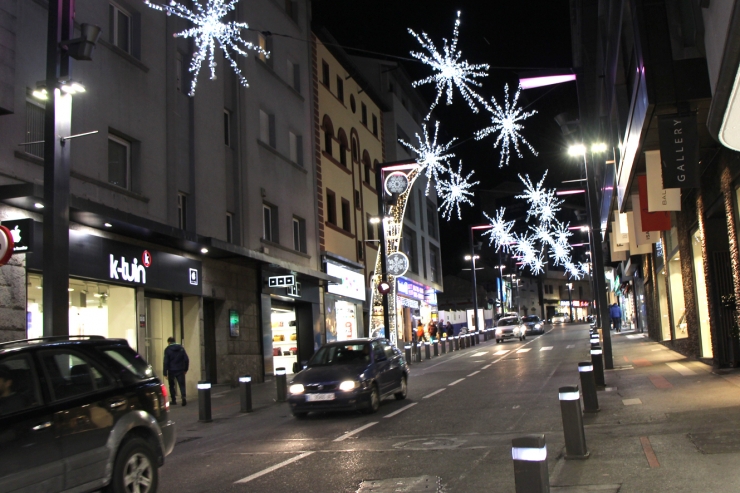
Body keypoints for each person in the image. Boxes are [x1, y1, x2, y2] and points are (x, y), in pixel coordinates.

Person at [164, 337, 189, 406]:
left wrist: (165, 372)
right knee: (182, 385)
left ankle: (173, 400)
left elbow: (166, 362)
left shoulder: (167, 349)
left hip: (171, 370)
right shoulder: (181, 348)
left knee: (172, 385)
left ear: (169, 342)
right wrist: (185, 369)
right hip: (180, 369)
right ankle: (183, 397)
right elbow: (186, 359)